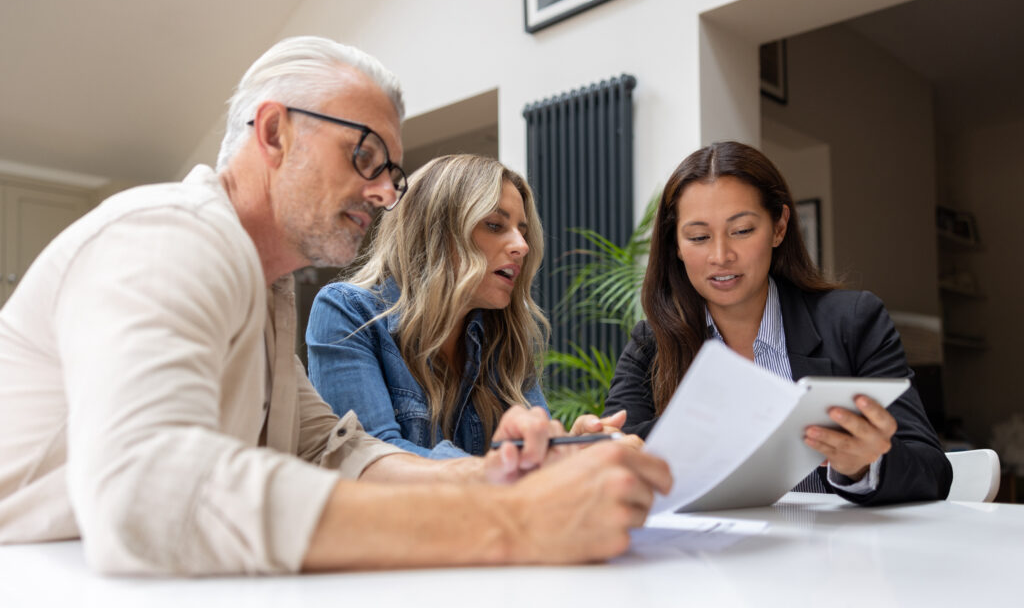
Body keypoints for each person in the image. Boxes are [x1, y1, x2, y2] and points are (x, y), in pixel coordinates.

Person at [0, 36, 671, 575]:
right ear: (273, 133)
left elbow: (333, 449)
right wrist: (517, 521)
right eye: (365, 156)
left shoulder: (268, 291)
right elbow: (149, 492)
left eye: (392, 172)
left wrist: (495, 473)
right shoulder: (166, 236)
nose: (384, 194)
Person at [602, 140, 949, 505]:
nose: (721, 256)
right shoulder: (651, 342)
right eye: (699, 237)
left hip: (834, 555)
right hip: (709, 553)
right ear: (676, 244)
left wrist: (864, 465)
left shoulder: (853, 322)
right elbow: (614, 454)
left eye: (742, 231)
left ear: (779, 227)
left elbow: (933, 471)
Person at [306, 154, 555, 458]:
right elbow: (370, 460)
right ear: (435, 232)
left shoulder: (508, 333)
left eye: (523, 231)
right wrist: (492, 470)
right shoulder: (348, 312)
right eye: (494, 224)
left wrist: (569, 449)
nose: (522, 246)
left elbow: (533, 455)